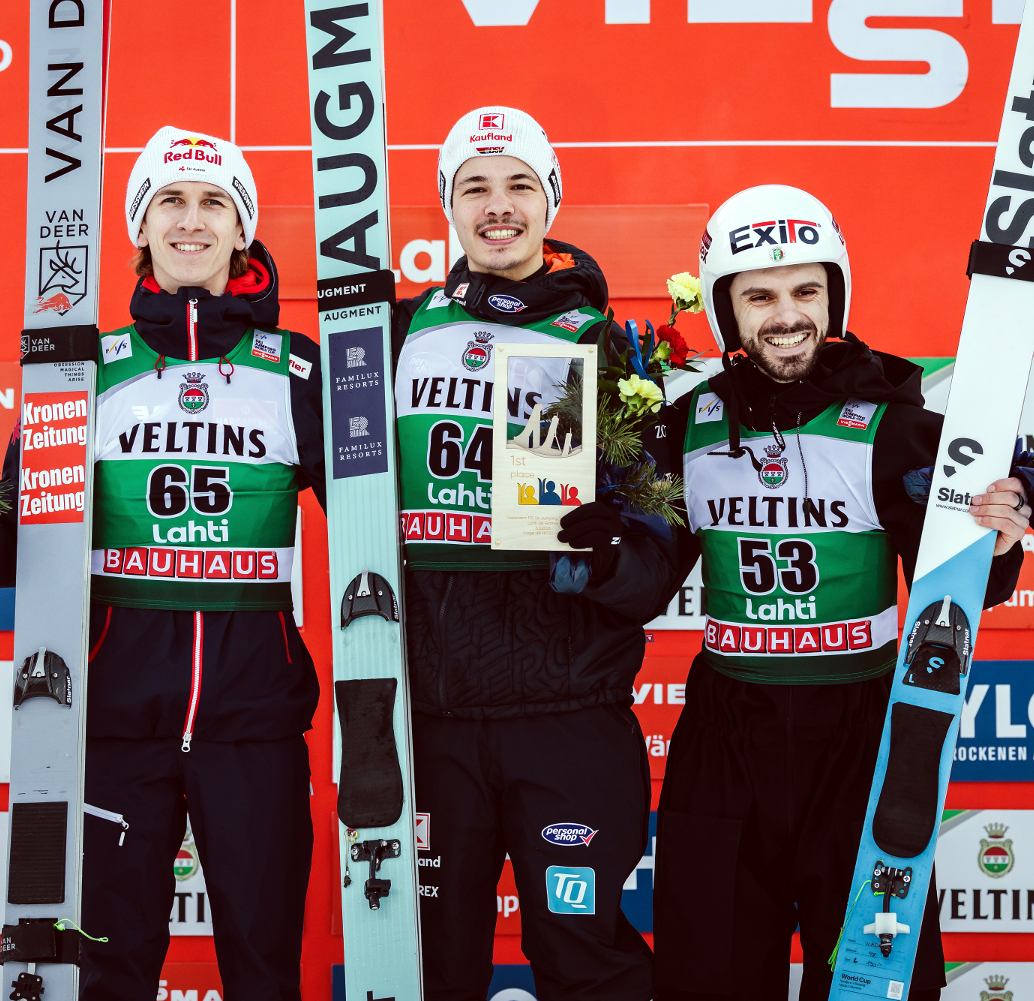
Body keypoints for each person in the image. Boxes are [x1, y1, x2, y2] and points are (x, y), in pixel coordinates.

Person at [0, 126, 323, 1001]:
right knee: (108, 968)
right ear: (141, 227)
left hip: (256, 724)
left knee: (265, 966)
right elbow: (16, 532)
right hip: (115, 724)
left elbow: (371, 527)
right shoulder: (84, 371)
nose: (192, 221)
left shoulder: (300, 372)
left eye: (214, 203)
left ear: (243, 231)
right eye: (171, 200)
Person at [648, 184, 1029, 1001]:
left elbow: (961, 583)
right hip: (728, 734)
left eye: (806, 291)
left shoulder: (897, 426)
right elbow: (644, 571)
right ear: (726, 310)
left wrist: (997, 542)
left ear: (836, 295)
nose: (786, 315)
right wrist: (601, 551)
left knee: (871, 980)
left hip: (857, 735)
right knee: (705, 974)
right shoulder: (689, 425)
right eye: (760, 295)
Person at [393, 106, 671, 1001]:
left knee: (588, 963)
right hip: (430, 719)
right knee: (432, 967)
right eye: (474, 186)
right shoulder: (392, 335)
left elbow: (663, 559)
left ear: (549, 199)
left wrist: (608, 557)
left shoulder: (602, 345)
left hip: (568, 716)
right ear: (448, 206)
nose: (498, 205)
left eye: (520, 184)